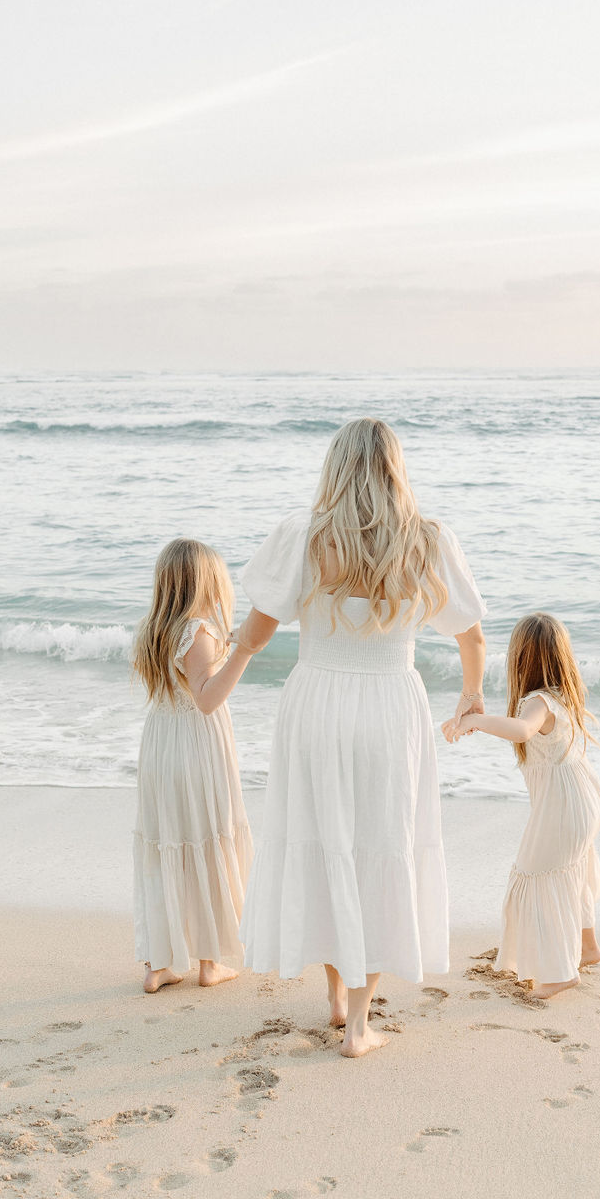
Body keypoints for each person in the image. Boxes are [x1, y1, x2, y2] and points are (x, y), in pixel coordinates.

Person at [230, 417, 487, 1057]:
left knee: (325, 841)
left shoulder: (304, 536)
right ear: (396, 471)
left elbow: (258, 633)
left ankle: (335, 993)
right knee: (381, 845)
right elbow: (471, 634)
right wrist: (472, 695)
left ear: (336, 468)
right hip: (389, 707)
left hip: (316, 700)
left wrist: (215, 672)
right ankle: (358, 1023)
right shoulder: (426, 541)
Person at [444, 612, 600, 998]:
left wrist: (475, 724)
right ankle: (587, 947)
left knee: (538, 875)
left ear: (520, 661)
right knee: (572, 870)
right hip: (583, 799)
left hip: (564, 808)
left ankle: (560, 973)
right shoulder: (563, 695)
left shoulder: (537, 702)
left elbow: (522, 730)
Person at [131, 538, 254, 993]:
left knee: (171, 841)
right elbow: (206, 699)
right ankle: (208, 962)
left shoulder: (155, 628)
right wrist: (244, 651)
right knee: (205, 838)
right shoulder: (198, 629)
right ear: (206, 581)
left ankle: (160, 963)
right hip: (196, 747)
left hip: (163, 743)